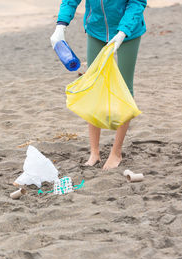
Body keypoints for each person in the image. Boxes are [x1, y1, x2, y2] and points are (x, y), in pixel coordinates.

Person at [50, 0, 147, 170]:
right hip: (96, 30)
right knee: (93, 86)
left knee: (125, 88)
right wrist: (61, 26)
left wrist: (123, 32)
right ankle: (94, 152)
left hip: (128, 31)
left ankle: (116, 152)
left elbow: (137, 2)